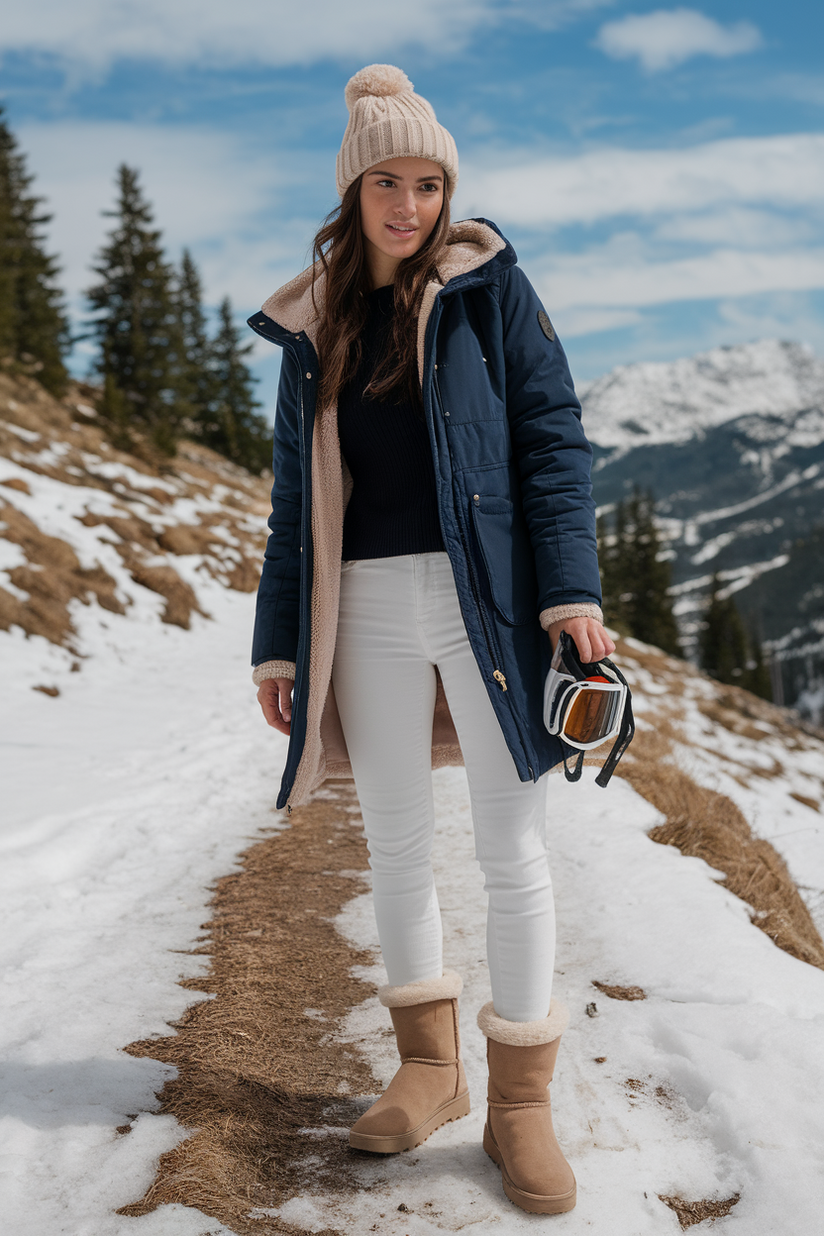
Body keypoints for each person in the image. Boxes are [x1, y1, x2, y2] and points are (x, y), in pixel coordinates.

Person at [248, 64, 614, 1216]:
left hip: (489, 604)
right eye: (387, 183)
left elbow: (550, 439)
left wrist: (568, 592)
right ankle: (428, 1070)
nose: (409, 205)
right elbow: (290, 504)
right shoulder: (314, 321)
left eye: (428, 183)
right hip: (358, 608)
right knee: (397, 845)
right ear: (352, 192)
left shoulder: (487, 285)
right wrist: (276, 646)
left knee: (511, 851)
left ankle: (518, 1105)